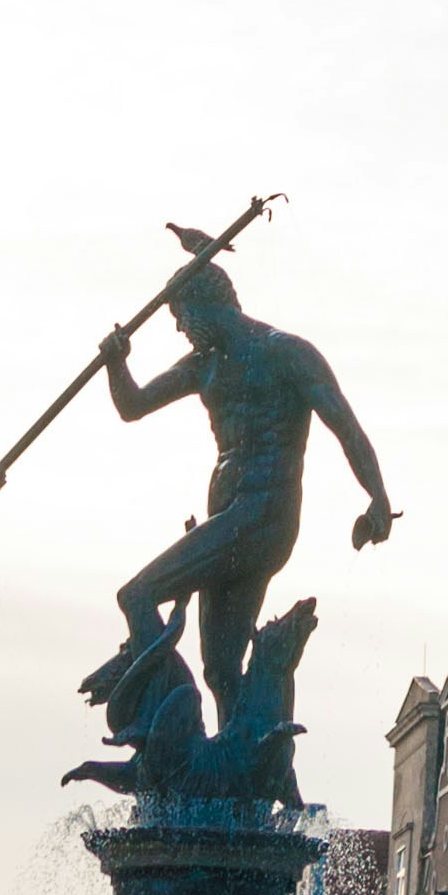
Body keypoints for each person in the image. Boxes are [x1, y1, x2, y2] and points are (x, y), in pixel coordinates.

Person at [98, 253, 392, 716]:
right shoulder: (204, 365)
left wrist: (377, 495)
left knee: (137, 594)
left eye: (181, 317)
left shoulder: (286, 352)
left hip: (264, 513)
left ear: (205, 305)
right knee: (219, 667)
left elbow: (345, 425)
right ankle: (238, 769)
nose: (180, 329)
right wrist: (116, 363)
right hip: (228, 518)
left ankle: (158, 717)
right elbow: (133, 405)